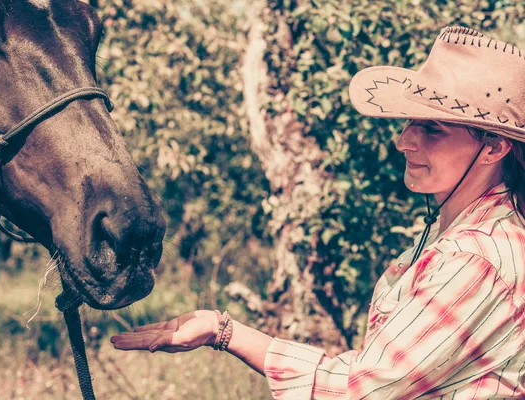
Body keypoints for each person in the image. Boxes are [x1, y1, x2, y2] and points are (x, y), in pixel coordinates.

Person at [110, 26, 525, 399]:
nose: (404, 141)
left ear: (493, 147)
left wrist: (226, 332)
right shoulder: (461, 232)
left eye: (433, 129)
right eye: (410, 122)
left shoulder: (475, 259)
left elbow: (362, 390)